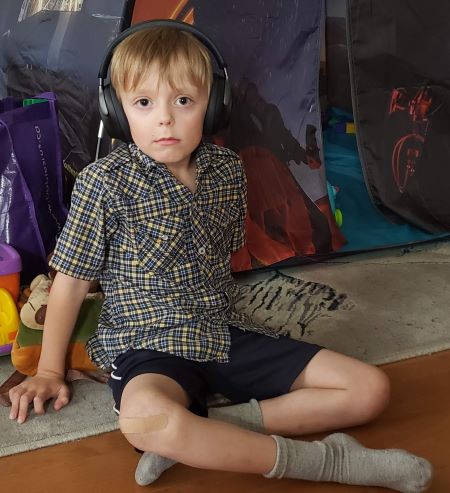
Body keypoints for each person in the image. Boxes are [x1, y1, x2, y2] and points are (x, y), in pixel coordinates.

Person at [9, 23, 432, 492]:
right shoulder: (103, 182)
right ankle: (329, 462)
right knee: (145, 422)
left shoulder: (227, 170)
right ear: (116, 107)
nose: (164, 119)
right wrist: (49, 370)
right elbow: (71, 281)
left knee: (370, 390)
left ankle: (206, 430)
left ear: (213, 104)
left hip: (223, 330)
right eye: (144, 103)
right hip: (147, 342)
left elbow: (221, 256)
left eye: (183, 101)